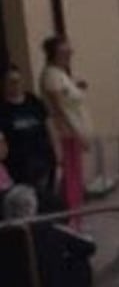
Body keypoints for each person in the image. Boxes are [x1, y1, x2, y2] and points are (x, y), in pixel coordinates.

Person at [39, 37, 91, 230]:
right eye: (64, 52)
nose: (68, 55)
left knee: (74, 176)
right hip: (65, 134)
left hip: (71, 132)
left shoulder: (60, 74)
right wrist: (77, 133)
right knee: (71, 178)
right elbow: (59, 107)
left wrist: (77, 88)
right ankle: (72, 220)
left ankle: (75, 218)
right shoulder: (51, 75)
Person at [0, 184, 96, 287]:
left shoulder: (4, 230)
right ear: (33, 207)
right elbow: (88, 246)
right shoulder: (47, 228)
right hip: (45, 281)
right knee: (79, 262)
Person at [0, 66, 59, 212]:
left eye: (18, 81)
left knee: (47, 198)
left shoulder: (34, 101)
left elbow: (49, 126)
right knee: (27, 203)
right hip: (18, 165)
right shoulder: (3, 109)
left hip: (43, 158)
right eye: (11, 82)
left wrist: (57, 152)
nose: (16, 85)